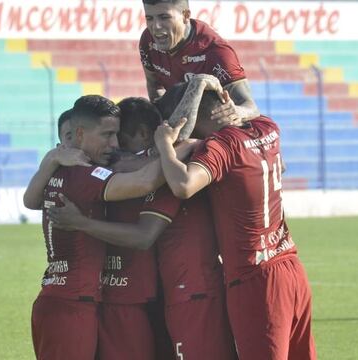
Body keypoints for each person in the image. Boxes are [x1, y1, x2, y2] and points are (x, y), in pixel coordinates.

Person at [50, 97, 237, 360]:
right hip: (117, 297)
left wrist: (175, 148)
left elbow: (144, 232)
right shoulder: (99, 168)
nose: (115, 148)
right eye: (108, 136)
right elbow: (31, 199)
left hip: (162, 295)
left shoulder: (168, 175)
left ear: (143, 134)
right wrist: (52, 157)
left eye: (120, 139)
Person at [153, 81, 317, 360]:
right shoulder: (267, 127)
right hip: (290, 265)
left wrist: (165, 145)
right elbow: (281, 164)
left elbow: (183, 185)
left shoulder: (222, 146)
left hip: (255, 279)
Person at [27, 95, 188, 360]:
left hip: (62, 297)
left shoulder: (58, 169)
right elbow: (145, 181)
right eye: (107, 135)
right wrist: (177, 147)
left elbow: (29, 200)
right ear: (79, 135)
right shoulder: (84, 174)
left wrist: (52, 157)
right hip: (72, 303)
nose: (115, 144)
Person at [140, 0, 260, 140]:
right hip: (180, 129)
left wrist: (236, 112)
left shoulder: (216, 52)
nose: (156, 27)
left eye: (164, 17)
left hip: (218, 136)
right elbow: (154, 87)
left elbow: (251, 107)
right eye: (150, 18)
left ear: (185, 15)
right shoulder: (147, 40)